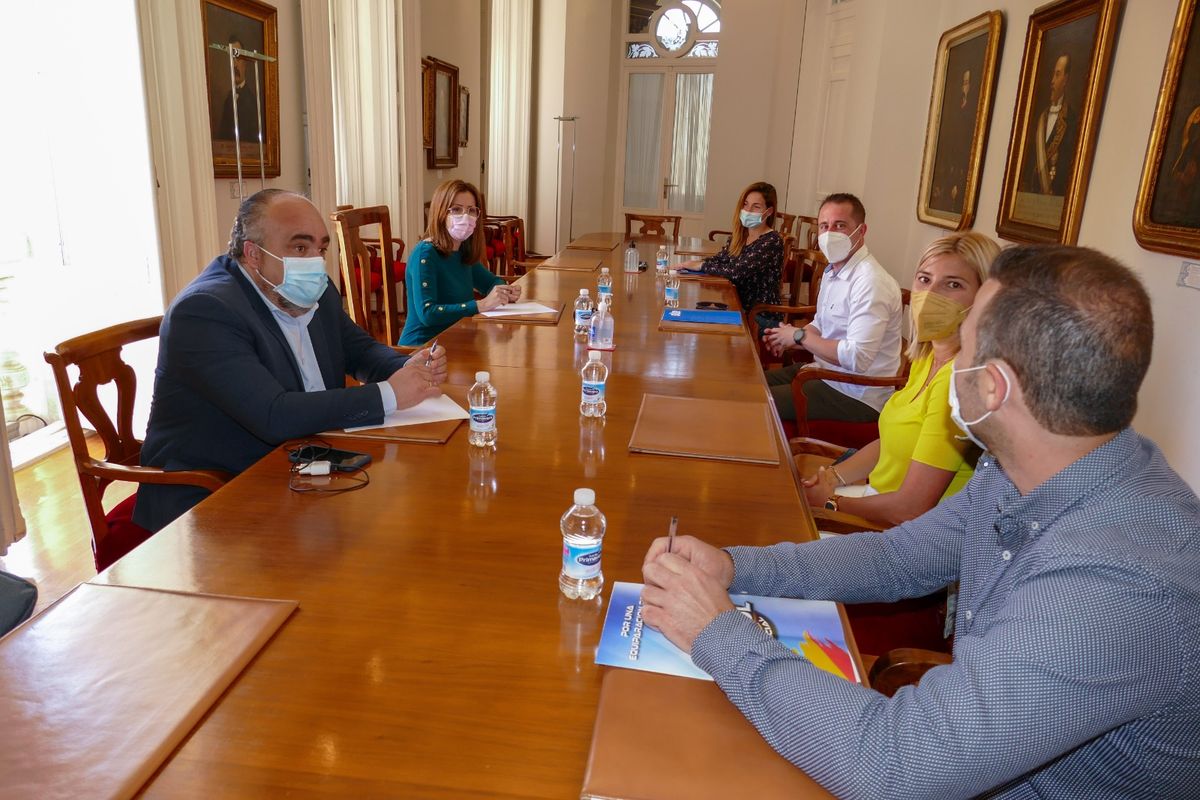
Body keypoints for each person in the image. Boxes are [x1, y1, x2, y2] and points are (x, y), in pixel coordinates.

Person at [640, 244, 1200, 798]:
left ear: (992, 385)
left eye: (967, 345)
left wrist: (717, 631)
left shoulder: (1120, 584)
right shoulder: (1028, 466)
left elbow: (896, 767)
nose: (949, 360)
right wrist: (736, 566)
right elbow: (900, 556)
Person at [135, 189, 447, 533]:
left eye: (321, 248)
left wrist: (407, 367)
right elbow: (274, 415)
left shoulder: (314, 288)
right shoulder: (205, 312)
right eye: (300, 248)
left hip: (303, 464)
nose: (315, 261)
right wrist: (390, 394)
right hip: (213, 496)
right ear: (253, 254)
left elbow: (358, 350)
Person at [801, 232, 998, 527]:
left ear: (985, 298)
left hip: (908, 536)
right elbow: (892, 441)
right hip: (877, 503)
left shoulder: (958, 383)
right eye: (924, 279)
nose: (932, 295)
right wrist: (832, 477)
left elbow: (910, 509)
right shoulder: (928, 357)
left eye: (953, 284)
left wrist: (830, 502)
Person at [761, 193, 903, 423]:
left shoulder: (871, 281)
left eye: (840, 225)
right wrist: (788, 338)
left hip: (856, 394)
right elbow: (821, 322)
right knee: (752, 384)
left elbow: (857, 357)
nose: (829, 234)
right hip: (824, 374)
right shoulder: (833, 270)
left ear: (862, 231)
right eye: (824, 226)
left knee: (758, 403)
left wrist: (798, 335)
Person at [398, 180, 520, 345]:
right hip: (423, 348)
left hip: (455, 338)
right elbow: (428, 313)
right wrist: (480, 305)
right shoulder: (425, 253)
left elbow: (490, 282)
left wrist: (504, 291)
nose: (465, 216)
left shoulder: (463, 249)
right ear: (441, 213)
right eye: (456, 209)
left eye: (471, 210)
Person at [677, 181, 784, 328]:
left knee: (707, 329)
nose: (748, 210)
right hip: (736, 307)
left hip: (760, 316)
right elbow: (721, 259)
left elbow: (736, 272)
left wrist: (701, 265)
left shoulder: (772, 241)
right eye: (746, 204)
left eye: (756, 206)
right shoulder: (740, 236)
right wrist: (689, 265)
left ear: (769, 212)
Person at [1021, 53, 1079, 196]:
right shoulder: (1041, 118)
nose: (1052, 81)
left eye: (1057, 75)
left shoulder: (1072, 120)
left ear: (1065, 79)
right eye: (1053, 75)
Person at [215, 38, 262, 142]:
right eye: (232, 59)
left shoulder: (253, 101)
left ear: (245, 62)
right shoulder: (228, 100)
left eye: (238, 58)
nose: (235, 64)